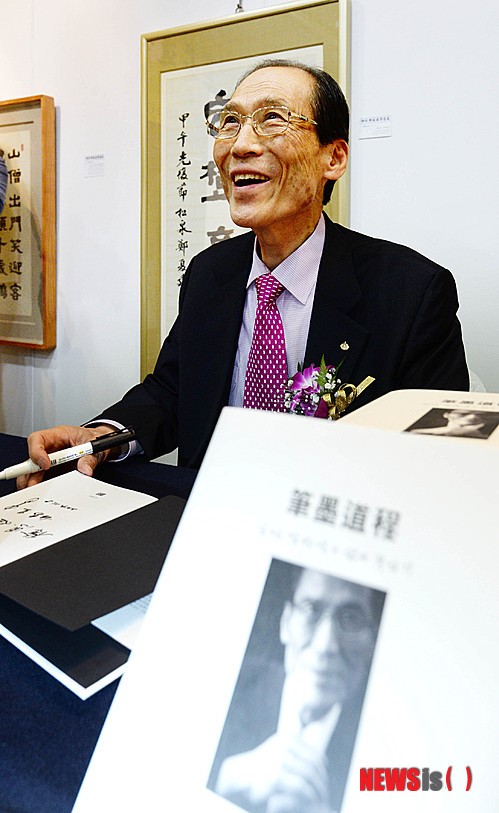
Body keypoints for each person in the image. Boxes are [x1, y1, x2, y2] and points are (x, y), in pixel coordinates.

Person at [18, 59, 469, 488]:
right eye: (230, 122)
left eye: (273, 119)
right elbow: (174, 391)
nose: (240, 146)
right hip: (204, 514)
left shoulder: (411, 292)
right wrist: (100, 437)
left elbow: (436, 460)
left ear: (333, 158)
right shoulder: (209, 273)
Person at [207, 565, 384, 813]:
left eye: (351, 619)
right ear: (285, 622)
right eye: (311, 610)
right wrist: (225, 780)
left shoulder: (384, 743)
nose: (325, 645)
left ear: (372, 641)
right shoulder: (228, 681)